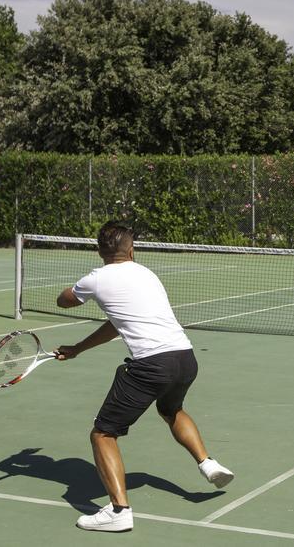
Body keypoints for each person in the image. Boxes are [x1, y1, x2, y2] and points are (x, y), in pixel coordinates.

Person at [55, 220, 234, 533]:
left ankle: (118, 511)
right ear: (132, 250)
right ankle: (208, 463)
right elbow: (116, 323)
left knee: (102, 434)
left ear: (99, 251)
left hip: (152, 365)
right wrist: (78, 349)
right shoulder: (146, 274)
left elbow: (64, 300)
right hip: (185, 358)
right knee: (170, 410)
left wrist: (73, 291)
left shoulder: (96, 279)